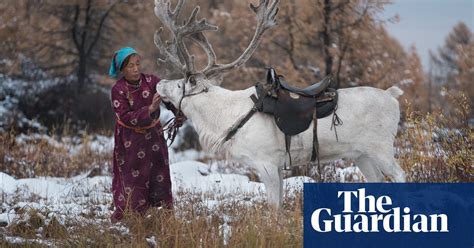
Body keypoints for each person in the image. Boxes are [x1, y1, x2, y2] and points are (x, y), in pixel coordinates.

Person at [108, 47, 184, 222]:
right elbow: (125, 117)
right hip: (130, 141)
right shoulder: (118, 90)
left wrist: (178, 112)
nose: (136, 69)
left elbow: (169, 97)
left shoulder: (152, 81)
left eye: (137, 64)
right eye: (130, 66)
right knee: (133, 178)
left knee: (160, 174)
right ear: (122, 69)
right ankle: (133, 219)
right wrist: (150, 109)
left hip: (154, 138)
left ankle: (165, 217)